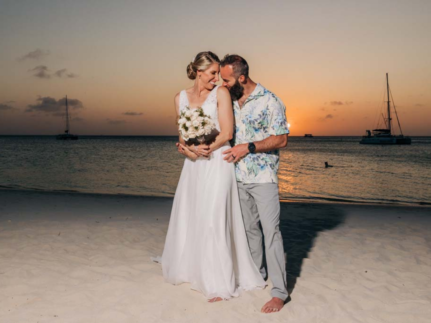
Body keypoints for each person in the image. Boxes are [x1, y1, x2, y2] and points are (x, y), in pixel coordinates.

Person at [161, 51, 266, 303]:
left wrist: (207, 147)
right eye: (212, 73)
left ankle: (218, 281)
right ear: (198, 72)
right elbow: (182, 135)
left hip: (218, 162)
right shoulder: (180, 98)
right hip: (193, 166)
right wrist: (189, 149)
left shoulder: (221, 93)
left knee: (214, 217)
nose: (217, 78)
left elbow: (228, 132)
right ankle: (193, 269)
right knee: (194, 215)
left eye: (218, 73)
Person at [220, 54, 289, 313]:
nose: (222, 84)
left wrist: (248, 147)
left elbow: (281, 140)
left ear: (242, 77)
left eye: (226, 79)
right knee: (249, 230)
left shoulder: (271, 101)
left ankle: (280, 293)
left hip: (263, 178)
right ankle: (256, 276)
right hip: (236, 177)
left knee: (272, 233)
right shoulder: (229, 100)